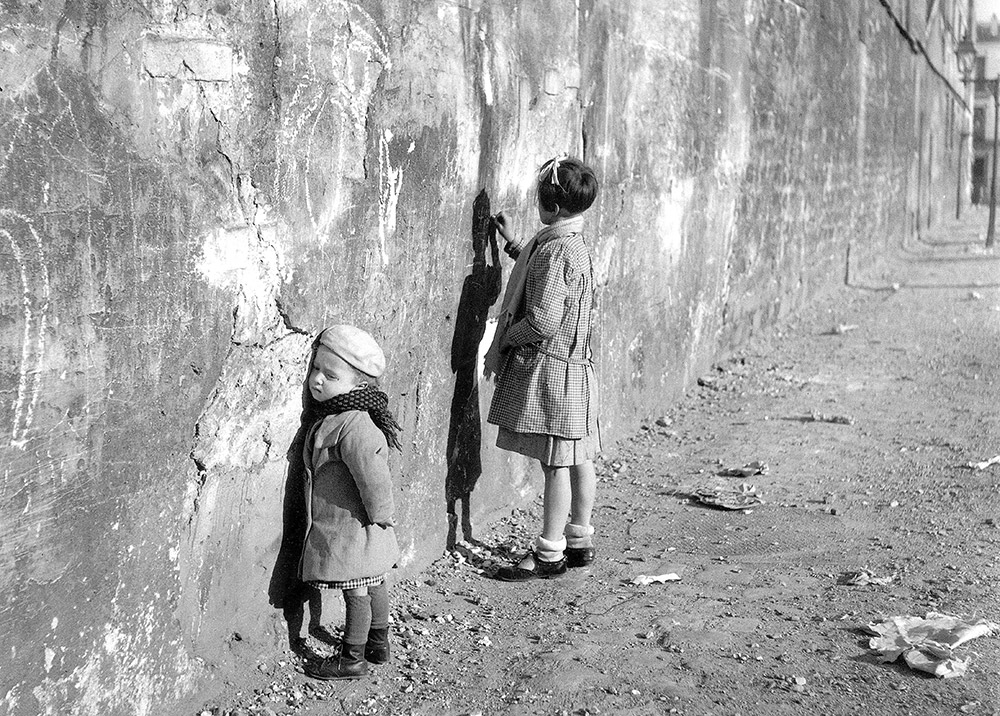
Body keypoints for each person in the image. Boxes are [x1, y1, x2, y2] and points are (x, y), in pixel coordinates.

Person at [484, 155, 601, 581]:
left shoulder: (554, 252)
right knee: (579, 458)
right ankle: (579, 541)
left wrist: (505, 339)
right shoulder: (574, 244)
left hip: (553, 374)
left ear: (549, 207)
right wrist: (513, 244)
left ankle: (549, 553)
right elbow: (541, 272)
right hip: (578, 371)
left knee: (554, 464)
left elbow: (543, 319)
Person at [299, 325, 402, 680]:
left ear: (359, 385)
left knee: (357, 590)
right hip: (361, 528)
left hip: (356, 527)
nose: (317, 381)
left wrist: (381, 514)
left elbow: (373, 477)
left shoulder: (355, 426)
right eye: (316, 369)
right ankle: (378, 642)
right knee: (375, 581)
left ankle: (352, 657)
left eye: (330, 375)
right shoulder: (337, 418)